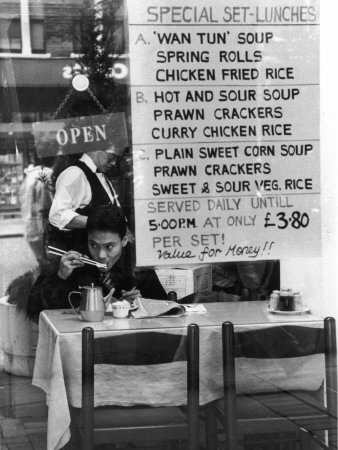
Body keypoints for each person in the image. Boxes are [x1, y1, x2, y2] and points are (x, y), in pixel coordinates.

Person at [27, 204, 167, 322]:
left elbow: (167, 311)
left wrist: (143, 304)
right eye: (93, 245)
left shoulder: (136, 264)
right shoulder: (73, 259)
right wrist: (60, 276)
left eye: (109, 247)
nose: (100, 255)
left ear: (124, 241)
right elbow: (33, 312)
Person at [47, 147, 125, 250]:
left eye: (118, 159)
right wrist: (97, 223)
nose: (114, 163)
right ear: (95, 146)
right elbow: (57, 215)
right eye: (112, 156)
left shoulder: (101, 176)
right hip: (85, 256)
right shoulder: (76, 173)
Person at [19, 155, 54, 265]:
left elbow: (22, 197)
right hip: (43, 226)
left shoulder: (30, 176)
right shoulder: (45, 174)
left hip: (31, 224)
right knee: (49, 264)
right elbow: (48, 202)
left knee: (41, 261)